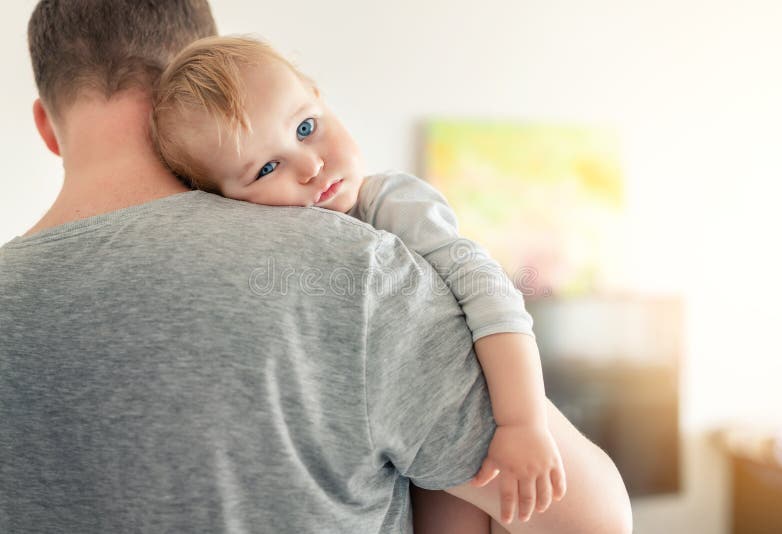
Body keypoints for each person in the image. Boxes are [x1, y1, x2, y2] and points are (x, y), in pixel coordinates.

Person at [0, 1, 633, 533]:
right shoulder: (349, 267)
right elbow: (590, 519)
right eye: (266, 166)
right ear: (208, 69)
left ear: (45, 126)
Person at [148, 35, 566, 531]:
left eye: (306, 127)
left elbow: (492, 294)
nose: (310, 167)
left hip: (475, 413)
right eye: (266, 168)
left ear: (321, 98)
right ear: (225, 205)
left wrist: (523, 423)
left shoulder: (393, 203)